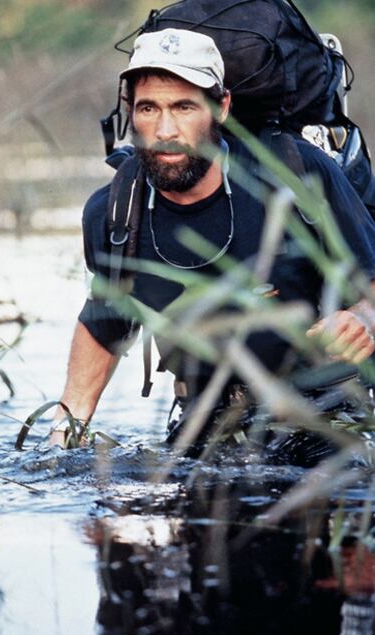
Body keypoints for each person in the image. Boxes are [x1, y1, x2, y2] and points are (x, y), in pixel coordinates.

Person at [49, 28, 375, 449]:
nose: (165, 129)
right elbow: (105, 321)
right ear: (131, 112)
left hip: (326, 413)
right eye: (149, 108)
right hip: (206, 420)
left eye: (184, 106)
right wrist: (63, 435)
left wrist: (364, 320)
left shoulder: (298, 174)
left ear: (220, 107)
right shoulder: (114, 212)